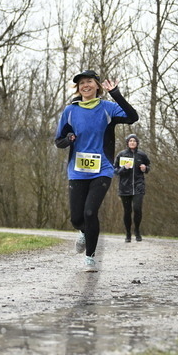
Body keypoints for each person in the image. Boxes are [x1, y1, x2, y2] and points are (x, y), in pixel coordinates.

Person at [55, 69, 139, 271]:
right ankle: (84, 232)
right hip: (77, 170)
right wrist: (69, 139)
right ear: (78, 87)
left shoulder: (107, 108)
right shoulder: (70, 111)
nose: (85, 85)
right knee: (77, 218)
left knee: (90, 212)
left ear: (97, 86)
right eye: (82, 83)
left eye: (89, 82)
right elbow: (59, 141)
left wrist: (116, 93)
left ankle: (90, 258)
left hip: (102, 169)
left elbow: (132, 117)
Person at [114, 134, 151, 242]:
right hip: (125, 187)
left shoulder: (142, 155)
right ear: (127, 143)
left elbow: (148, 166)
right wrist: (123, 168)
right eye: (130, 141)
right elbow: (115, 171)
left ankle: (137, 231)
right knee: (127, 211)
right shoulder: (121, 154)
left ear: (137, 143)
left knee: (137, 209)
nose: (132, 142)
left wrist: (145, 168)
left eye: (134, 141)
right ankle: (128, 233)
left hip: (139, 186)